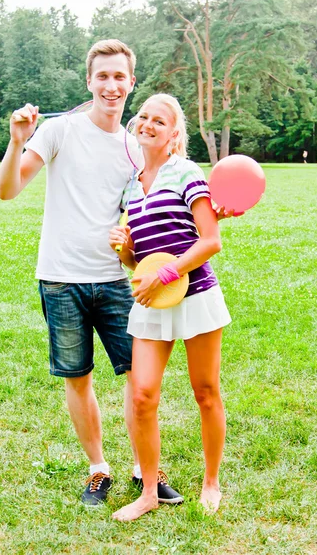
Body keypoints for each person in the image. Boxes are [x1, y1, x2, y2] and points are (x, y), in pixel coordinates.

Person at [0, 40, 183, 507]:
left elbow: (157, 213)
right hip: (60, 278)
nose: (111, 85)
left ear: (131, 83)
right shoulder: (58, 131)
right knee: (77, 377)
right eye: (102, 76)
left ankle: (146, 469)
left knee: (138, 378)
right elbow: (8, 189)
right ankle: (99, 469)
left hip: (118, 280)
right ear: (89, 82)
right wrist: (18, 138)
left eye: (120, 76)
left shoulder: (136, 149)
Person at [109, 94, 232, 521]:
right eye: (143, 116)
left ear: (174, 132)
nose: (147, 124)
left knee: (206, 392)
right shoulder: (131, 184)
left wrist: (169, 272)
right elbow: (136, 258)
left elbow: (210, 240)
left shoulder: (187, 172)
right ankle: (148, 492)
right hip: (151, 298)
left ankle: (211, 482)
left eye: (158, 120)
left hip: (195, 294)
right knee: (142, 396)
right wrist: (125, 251)